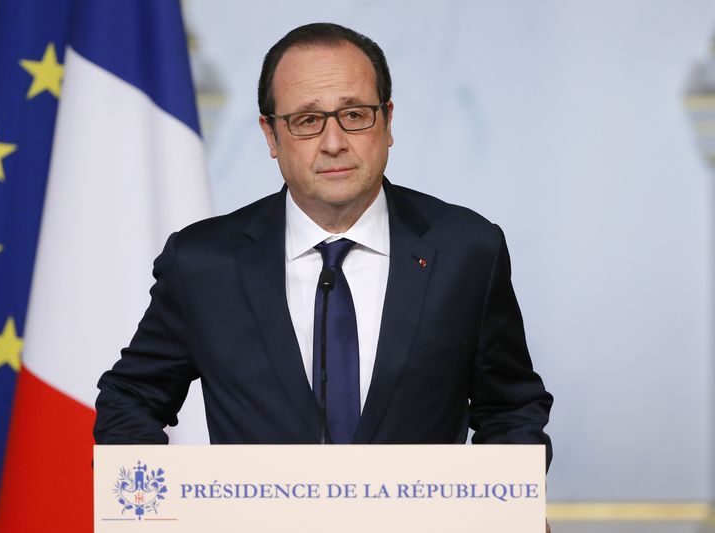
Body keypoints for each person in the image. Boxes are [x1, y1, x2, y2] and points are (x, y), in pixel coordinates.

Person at [94, 23, 552, 458]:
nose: (333, 142)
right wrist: (155, 506)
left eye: (354, 115)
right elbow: (131, 398)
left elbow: (510, 409)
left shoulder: (467, 250)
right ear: (271, 134)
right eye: (307, 120)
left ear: (387, 123)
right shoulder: (203, 263)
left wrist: (511, 504)